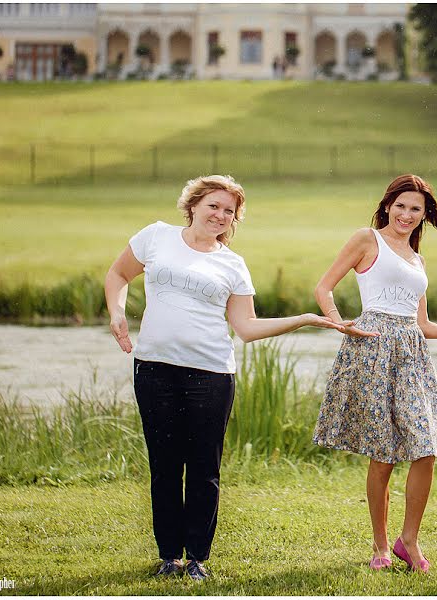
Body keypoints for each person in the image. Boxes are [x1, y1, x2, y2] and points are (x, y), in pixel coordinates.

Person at [104, 175, 341, 581]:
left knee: (203, 467)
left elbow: (245, 327)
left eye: (229, 211)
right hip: (154, 369)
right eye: (214, 206)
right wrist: (117, 313)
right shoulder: (156, 237)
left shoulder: (232, 264)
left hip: (211, 374)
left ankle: (196, 557)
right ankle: (169, 556)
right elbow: (117, 276)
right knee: (164, 465)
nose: (220, 215)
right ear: (193, 204)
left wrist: (302, 320)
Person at [313, 174, 437, 573]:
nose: (406, 215)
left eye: (415, 209)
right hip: (371, 346)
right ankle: (380, 546)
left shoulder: (418, 258)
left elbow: (424, 324)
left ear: (425, 215)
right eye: (401, 206)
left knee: (425, 448)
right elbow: (324, 287)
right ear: (388, 205)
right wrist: (341, 324)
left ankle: (409, 539)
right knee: (383, 453)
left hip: (412, 353)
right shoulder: (366, 239)